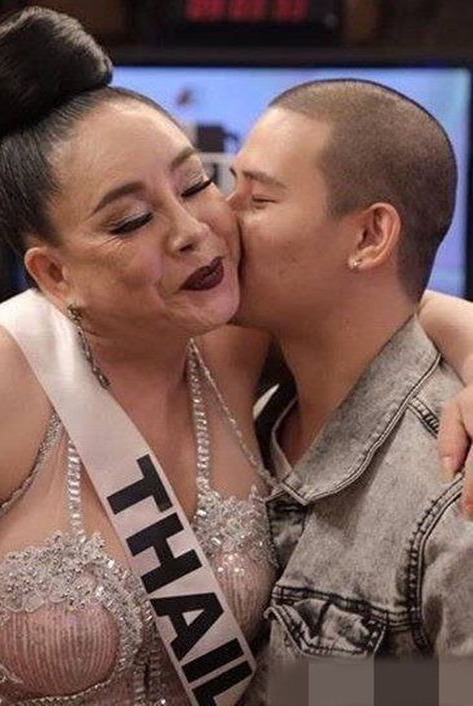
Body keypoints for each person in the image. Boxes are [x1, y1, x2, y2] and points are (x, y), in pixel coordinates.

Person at [0, 8, 470, 705]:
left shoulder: (232, 336)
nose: (191, 230)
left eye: (196, 184)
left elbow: (375, 297)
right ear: (54, 274)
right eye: (131, 221)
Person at [227, 79, 473, 704]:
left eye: (257, 199)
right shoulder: (245, 408)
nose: (220, 220)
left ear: (369, 237)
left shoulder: (452, 489)